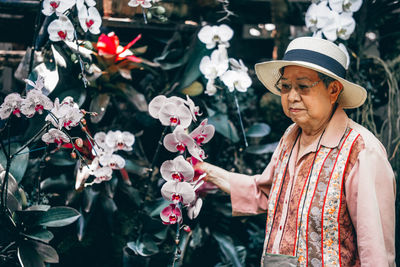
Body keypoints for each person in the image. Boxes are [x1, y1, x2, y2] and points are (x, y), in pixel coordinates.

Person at [195, 37, 396, 266]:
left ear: (333, 90)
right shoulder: (291, 136)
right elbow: (266, 193)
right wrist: (205, 172)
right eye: (285, 86)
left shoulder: (361, 151)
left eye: (302, 86)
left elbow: (376, 252)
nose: (291, 97)